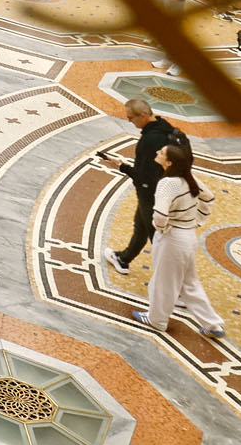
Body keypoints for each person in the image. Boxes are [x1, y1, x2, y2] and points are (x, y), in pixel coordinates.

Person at [133, 140, 224, 339]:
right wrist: (196, 220)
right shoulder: (189, 178)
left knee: (164, 281)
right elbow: (208, 198)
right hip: (188, 237)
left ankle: (157, 320)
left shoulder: (167, 184)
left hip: (172, 239)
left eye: (162, 152)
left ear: (169, 163)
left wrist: (163, 228)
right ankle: (213, 324)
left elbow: (159, 215)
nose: (157, 151)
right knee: (189, 283)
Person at [96, 98, 185, 275]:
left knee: (155, 236)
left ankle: (176, 285)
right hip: (164, 187)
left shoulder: (150, 140)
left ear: (143, 115)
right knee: (141, 225)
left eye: (131, 118)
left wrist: (121, 166)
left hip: (150, 192)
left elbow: (144, 176)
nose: (129, 121)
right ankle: (124, 259)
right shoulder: (165, 127)